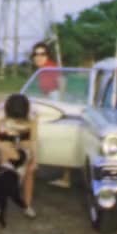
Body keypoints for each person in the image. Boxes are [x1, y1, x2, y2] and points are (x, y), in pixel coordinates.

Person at [29, 42, 72, 188]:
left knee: (59, 137)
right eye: (36, 54)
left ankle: (66, 177)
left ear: (47, 55)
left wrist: (61, 101)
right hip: (48, 100)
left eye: (42, 54)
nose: (38, 57)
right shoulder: (42, 70)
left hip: (54, 102)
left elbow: (62, 81)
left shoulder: (50, 67)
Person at [0, 93, 38, 218]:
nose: (17, 121)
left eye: (20, 119)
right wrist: (6, 149)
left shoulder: (33, 114)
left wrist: (34, 160)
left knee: (29, 171)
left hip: (24, 136)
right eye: (15, 118)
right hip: (5, 135)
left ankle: (27, 206)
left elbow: (33, 139)